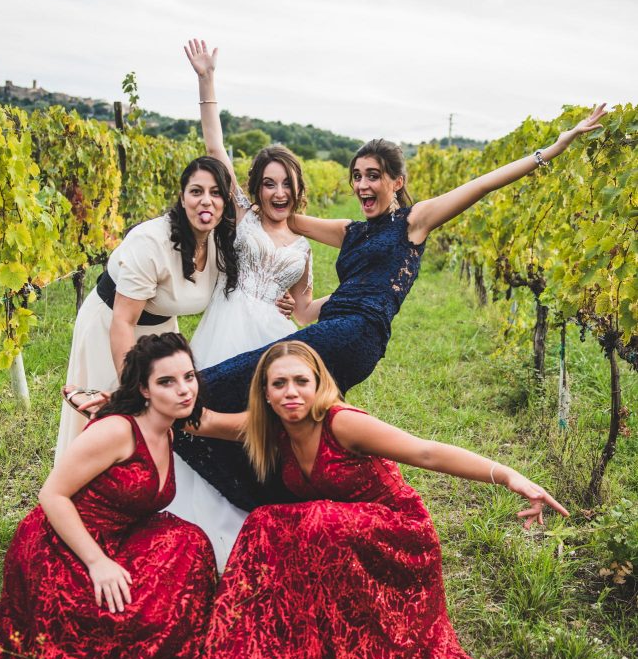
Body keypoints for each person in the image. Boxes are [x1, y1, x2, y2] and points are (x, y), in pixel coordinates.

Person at [172, 102, 607, 513]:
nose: (363, 185)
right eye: (357, 176)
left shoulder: (412, 224)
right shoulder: (351, 231)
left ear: (396, 181)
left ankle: (163, 411)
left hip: (355, 334)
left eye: (374, 175)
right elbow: (278, 217)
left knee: (231, 380)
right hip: (342, 328)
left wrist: (552, 149)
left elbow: (484, 183)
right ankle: (272, 500)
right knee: (283, 417)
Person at [195, 341, 569, 659]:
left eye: (301, 381)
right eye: (280, 384)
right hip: (345, 542)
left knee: (302, 522)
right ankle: (291, 648)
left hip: (397, 536)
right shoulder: (269, 428)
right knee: (273, 524)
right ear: (265, 393)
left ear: (319, 385)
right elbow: (204, 421)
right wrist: (124, 406)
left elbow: (426, 452)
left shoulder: (342, 423)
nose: (291, 392)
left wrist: (509, 476)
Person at [0, 334, 217, 659]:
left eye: (189, 377)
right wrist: (97, 562)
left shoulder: (168, 424)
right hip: (61, 546)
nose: (184, 389)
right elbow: (52, 495)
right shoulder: (117, 431)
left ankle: (167, 650)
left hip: (118, 534)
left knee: (189, 543)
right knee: (121, 618)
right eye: (168, 382)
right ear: (145, 390)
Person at [163, 41, 330, 567]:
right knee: (199, 412)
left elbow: (303, 310)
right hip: (227, 323)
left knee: (251, 428)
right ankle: (184, 515)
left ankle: (242, 521)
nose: (277, 192)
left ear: (297, 188)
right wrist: (207, 82)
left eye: (286, 184)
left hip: (270, 341)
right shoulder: (245, 217)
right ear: (256, 188)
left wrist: (352, 301)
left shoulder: (304, 249)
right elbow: (215, 149)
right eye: (268, 183)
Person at [55, 155, 240, 460]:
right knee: (113, 421)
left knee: (157, 422)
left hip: (160, 331)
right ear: (182, 198)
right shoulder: (150, 242)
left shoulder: (220, 243)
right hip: (112, 324)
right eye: (196, 191)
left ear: (225, 201)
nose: (206, 201)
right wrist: (131, 389)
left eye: (215, 192)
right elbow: (123, 321)